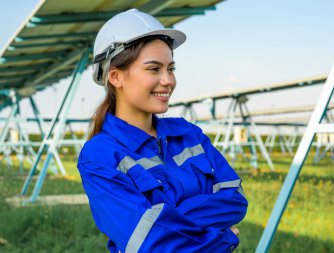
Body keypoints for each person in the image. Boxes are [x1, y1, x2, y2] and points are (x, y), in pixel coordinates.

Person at [77, 9, 248, 253]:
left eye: (171, 68)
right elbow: (151, 244)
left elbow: (235, 199)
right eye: (154, 69)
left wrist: (168, 218)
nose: (168, 80)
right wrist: (223, 239)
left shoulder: (190, 135)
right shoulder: (100, 156)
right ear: (116, 76)